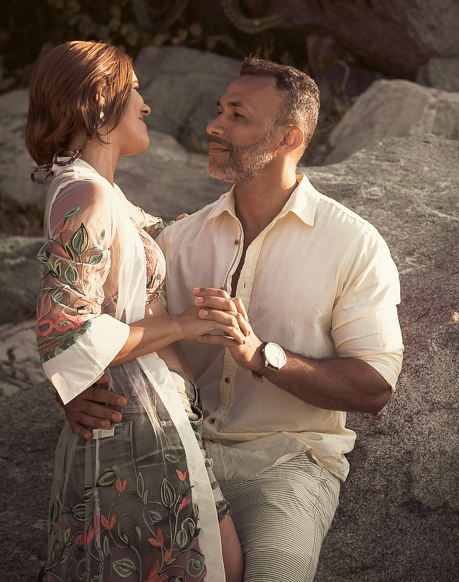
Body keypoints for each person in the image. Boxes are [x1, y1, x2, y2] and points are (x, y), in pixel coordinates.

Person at [63, 57, 404, 582]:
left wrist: (261, 355)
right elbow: (89, 316)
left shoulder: (354, 244)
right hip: (176, 451)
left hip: (287, 466)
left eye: (237, 116)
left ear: (289, 138)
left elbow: (374, 388)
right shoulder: (179, 240)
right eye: (220, 110)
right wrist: (77, 394)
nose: (214, 125)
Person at [26, 41, 247, 582]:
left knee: (217, 566)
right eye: (136, 90)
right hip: (133, 426)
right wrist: (185, 324)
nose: (146, 106)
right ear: (102, 101)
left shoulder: (102, 195)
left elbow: (174, 233)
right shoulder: (88, 197)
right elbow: (65, 334)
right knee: (216, 569)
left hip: (147, 417)